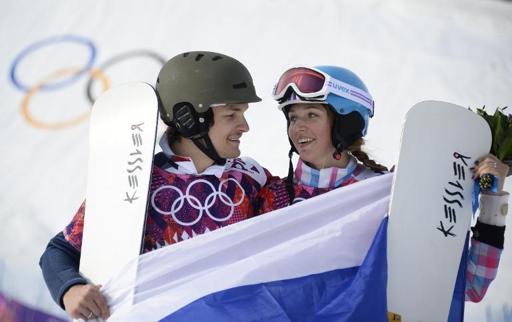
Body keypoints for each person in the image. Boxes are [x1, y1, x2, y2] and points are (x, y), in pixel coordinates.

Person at [39, 51, 272, 321]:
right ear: (188, 118)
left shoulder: (251, 179)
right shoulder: (135, 183)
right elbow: (59, 251)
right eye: (232, 115)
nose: (245, 126)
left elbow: (307, 213)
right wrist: (70, 288)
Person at [257, 65, 509, 306]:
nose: (298, 127)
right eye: (293, 117)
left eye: (312, 114)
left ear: (346, 123)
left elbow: (468, 285)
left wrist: (491, 203)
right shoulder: (273, 196)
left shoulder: (389, 197)